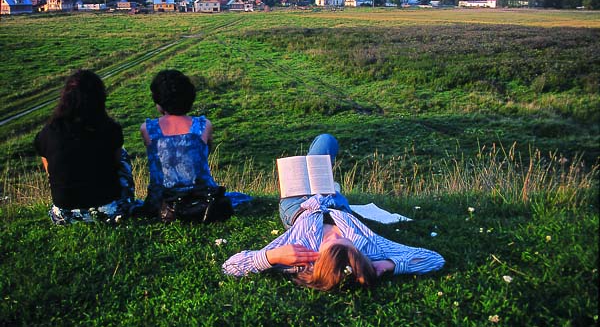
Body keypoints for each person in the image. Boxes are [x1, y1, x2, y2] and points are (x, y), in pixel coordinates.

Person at [223, 134, 445, 290]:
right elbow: (434, 259)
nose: (337, 234)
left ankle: (315, 175)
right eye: (346, 240)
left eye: (331, 242)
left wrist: (271, 256)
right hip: (334, 203)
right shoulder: (372, 249)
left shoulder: (300, 255)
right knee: (327, 140)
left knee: (305, 162)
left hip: (298, 207)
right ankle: (327, 181)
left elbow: (230, 267)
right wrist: (387, 265)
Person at [34, 69, 135, 224]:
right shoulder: (110, 129)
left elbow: (50, 172)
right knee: (123, 154)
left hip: (64, 215)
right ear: (100, 98)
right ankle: (126, 203)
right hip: (109, 211)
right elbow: (116, 164)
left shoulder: (48, 133)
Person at [138, 69, 231, 219]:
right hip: (202, 199)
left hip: (162, 203)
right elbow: (207, 152)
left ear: (159, 101)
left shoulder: (147, 129)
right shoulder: (203, 125)